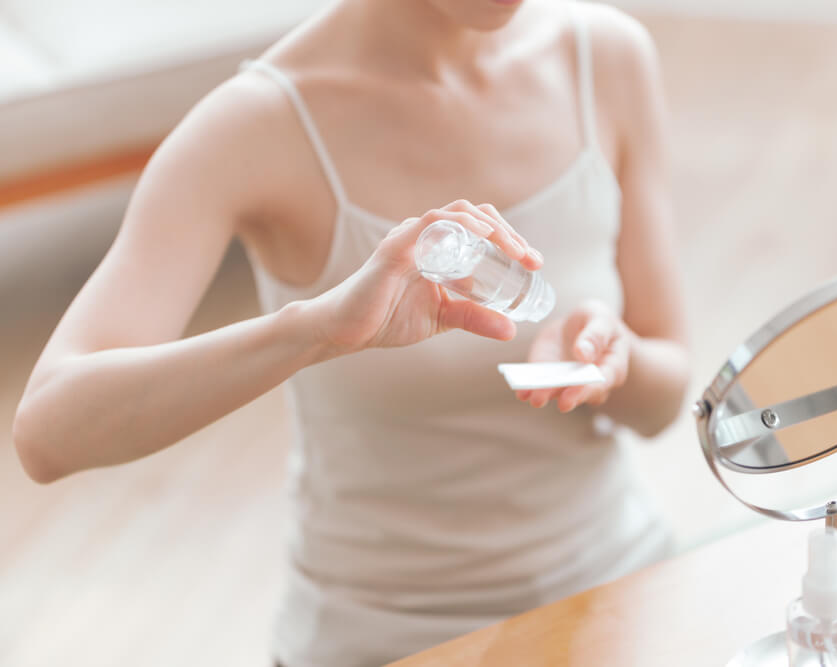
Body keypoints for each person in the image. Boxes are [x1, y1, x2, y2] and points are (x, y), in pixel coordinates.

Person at [12, 0, 691, 664]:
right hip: (389, 638)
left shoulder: (606, 56)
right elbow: (49, 431)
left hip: (616, 596)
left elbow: (667, 397)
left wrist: (615, 364)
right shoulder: (256, 124)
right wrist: (316, 330)